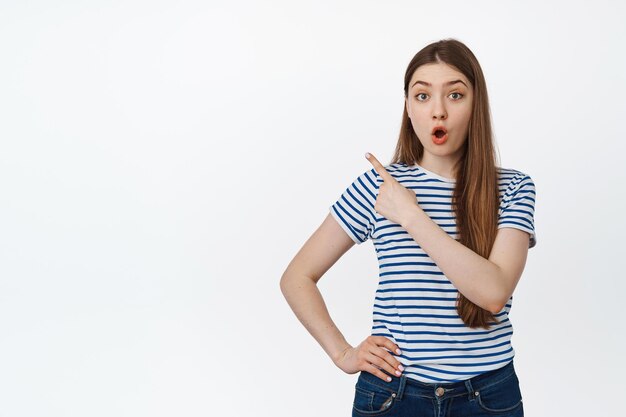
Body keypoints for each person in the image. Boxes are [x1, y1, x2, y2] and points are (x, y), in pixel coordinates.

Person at [279, 38, 535, 417]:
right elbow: (297, 276)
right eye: (422, 96)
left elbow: (493, 293)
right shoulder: (377, 187)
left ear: (476, 104)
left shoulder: (513, 188)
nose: (438, 112)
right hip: (393, 396)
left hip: (488, 397)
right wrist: (343, 353)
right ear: (408, 108)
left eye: (455, 95)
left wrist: (412, 217)